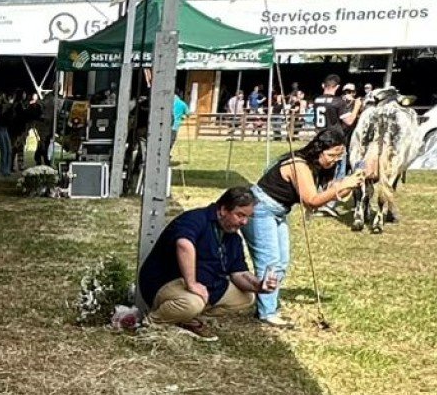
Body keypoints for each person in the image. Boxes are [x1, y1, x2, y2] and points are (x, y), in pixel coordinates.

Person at [244, 125, 366, 329]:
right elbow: (312, 201)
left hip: (279, 211)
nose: (335, 160)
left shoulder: (317, 167)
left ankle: (266, 303)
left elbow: (328, 196)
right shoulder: (299, 165)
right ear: (319, 149)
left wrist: (349, 184)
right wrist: (343, 186)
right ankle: (267, 312)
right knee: (270, 262)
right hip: (260, 209)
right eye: (332, 155)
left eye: (339, 156)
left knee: (282, 261)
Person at [137, 186, 272, 342]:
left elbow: (239, 273)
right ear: (223, 210)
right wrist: (192, 283)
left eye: (248, 217)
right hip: (164, 283)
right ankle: (153, 322)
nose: (244, 222)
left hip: (206, 285)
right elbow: (184, 244)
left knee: (246, 297)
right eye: (240, 215)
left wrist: (259, 285)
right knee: (192, 303)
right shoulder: (195, 219)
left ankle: (185, 319)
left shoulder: (233, 237)